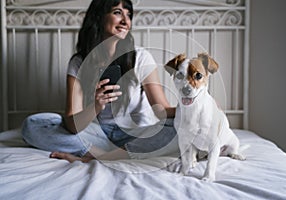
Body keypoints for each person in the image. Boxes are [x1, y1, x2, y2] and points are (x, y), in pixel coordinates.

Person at [21, 0, 178, 163]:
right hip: (98, 135)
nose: (125, 21)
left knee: (175, 129)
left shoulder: (140, 57)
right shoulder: (79, 62)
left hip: (136, 134)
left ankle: (99, 156)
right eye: (117, 12)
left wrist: (192, 108)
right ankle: (116, 155)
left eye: (128, 15)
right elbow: (73, 125)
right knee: (32, 125)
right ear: (99, 17)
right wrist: (96, 106)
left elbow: (162, 111)